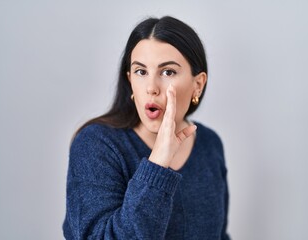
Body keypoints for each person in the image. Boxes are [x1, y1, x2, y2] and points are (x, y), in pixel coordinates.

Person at [63, 16, 231, 240]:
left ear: (197, 84)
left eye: (168, 72)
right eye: (141, 72)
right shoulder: (96, 145)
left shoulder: (210, 144)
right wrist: (158, 164)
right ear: (130, 80)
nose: (151, 88)